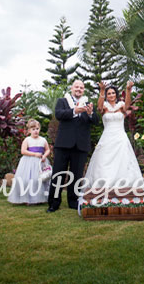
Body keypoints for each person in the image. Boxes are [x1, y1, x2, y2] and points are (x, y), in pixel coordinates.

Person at [83, 80, 144, 192]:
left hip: (120, 137)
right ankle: (103, 187)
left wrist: (128, 89)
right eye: (109, 93)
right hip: (107, 137)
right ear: (106, 96)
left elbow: (127, 105)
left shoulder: (121, 105)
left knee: (123, 161)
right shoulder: (104, 106)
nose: (111, 95)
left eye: (113, 93)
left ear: (116, 95)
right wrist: (102, 90)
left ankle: (124, 187)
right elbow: (99, 107)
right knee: (103, 161)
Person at [46, 80, 98, 212]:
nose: (79, 89)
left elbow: (95, 121)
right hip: (63, 144)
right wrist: (74, 110)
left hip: (80, 145)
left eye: (81, 87)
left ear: (84, 90)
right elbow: (59, 115)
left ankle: (73, 201)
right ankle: (54, 202)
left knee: (76, 175)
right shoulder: (63, 101)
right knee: (58, 174)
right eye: (76, 87)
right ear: (71, 88)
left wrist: (90, 113)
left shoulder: (88, 104)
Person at [8, 119, 51, 204]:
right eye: (33, 129)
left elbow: (47, 150)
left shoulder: (43, 140)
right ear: (29, 130)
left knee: (40, 180)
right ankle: (26, 198)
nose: (36, 131)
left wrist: (44, 156)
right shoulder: (27, 140)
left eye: (37, 129)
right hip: (28, 162)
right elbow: (23, 151)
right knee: (28, 180)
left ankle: (41, 198)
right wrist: (34, 154)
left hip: (40, 162)